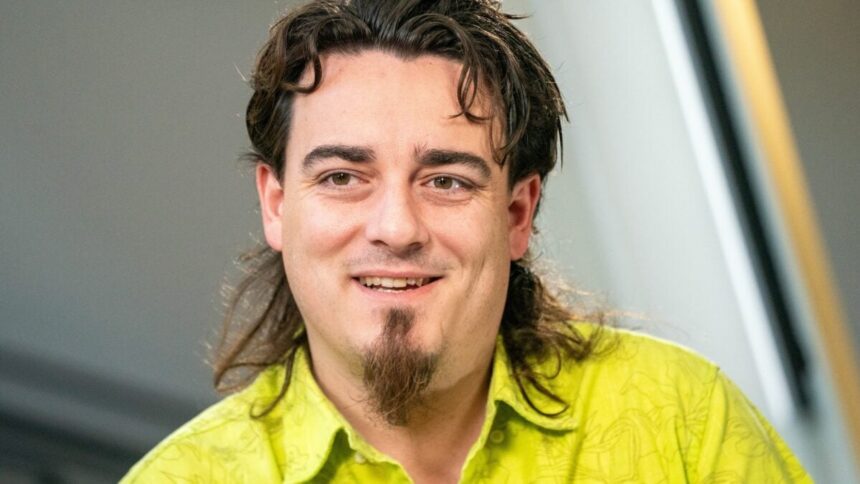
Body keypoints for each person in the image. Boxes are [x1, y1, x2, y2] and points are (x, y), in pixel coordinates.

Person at [123, 1, 810, 482]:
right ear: (276, 205)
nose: (396, 228)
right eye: (342, 177)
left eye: (446, 181)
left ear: (517, 214)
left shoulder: (685, 421)